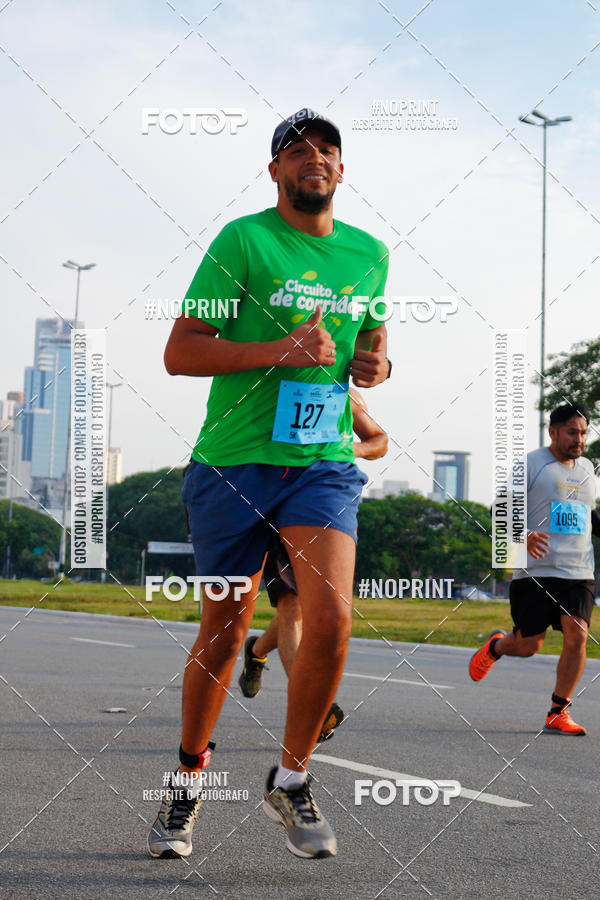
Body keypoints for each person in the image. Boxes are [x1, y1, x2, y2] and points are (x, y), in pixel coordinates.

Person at [147, 108, 391, 861]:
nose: (315, 157)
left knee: (333, 617)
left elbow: (372, 338)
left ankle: (291, 779)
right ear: (276, 169)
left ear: (342, 169)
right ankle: (188, 781)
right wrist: (280, 349)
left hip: (321, 464)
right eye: (297, 149)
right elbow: (181, 353)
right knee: (223, 635)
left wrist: (377, 364)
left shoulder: (369, 253)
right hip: (234, 464)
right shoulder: (242, 241)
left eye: (327, 149)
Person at [238, 387, 388, 743]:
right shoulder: (269, 384)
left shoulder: (344, 395)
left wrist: (347, 449)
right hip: (277, 502)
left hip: (325, 507)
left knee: (311, 608)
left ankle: (257, 651)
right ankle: (314, 708)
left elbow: (379, 441)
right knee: (292, 607)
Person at [470, 404, 599, 735]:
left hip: (578, 571)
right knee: (529, 645)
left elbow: (588, 515)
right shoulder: (531, 464)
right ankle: (497, 646)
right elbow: (499, 508)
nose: (579, 439)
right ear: (553, 432)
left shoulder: (588, 469)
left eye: (584, 433)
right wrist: (523, 534)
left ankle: (558, 711)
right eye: (572, 432)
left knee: (577, 635)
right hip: (535, 573)